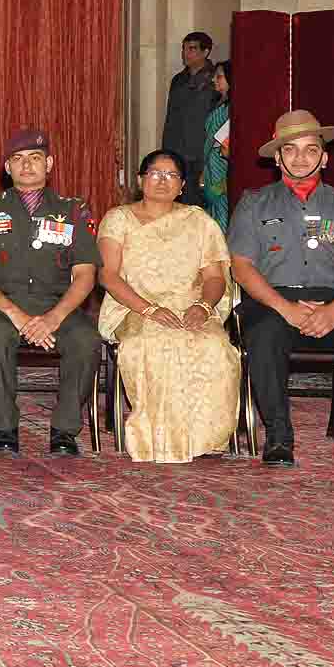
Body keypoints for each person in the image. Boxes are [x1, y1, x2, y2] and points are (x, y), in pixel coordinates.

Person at [228, 109, 334, 469]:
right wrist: (285, 308)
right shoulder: (254, 204)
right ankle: (279, 436)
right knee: (265, 334)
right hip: (273, 301)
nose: (301, 157)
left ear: (325, 157)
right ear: (277, 157)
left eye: (311, 149)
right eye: (291, 149)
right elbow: (241, 266)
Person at [0, 127, 101, 458]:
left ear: (49, 164)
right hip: (0, 305)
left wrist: (53, 318)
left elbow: (85, 274)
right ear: (7, 168)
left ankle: (64, 430)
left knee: (86, 340)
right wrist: (17, 315)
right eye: (18, 159)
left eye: (35, 158)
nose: (27, 166)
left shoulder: (74, 210)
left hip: (58, 306)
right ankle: (6, 428)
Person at [95, 150, 239, 462]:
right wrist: (149, 309)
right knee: (155, 344)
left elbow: (215, 277)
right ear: (140, 180)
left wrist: (203, 305)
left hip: (192, 304)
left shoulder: (199, 221)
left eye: (171, 175)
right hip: (133, 306)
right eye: (155, 173)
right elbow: (108, 275)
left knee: (215, 347)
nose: (163, 180)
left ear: (183, 185)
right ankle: (160, 441)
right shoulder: (118, 219)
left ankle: (205, 439)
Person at [161, 32, 219, 207]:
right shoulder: (178, 80)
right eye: (184, 48)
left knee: (198, 205)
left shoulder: (215, 80)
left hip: (202, 153)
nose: (186, 53)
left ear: (206, 51)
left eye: (192, 48)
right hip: (176, 151)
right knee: (176, 203)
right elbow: (170, 118)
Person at [201, 59, 232, 228]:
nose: (214, 80)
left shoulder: (235, 108)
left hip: (223, 166)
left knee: (223, 213)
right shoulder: (220, 105)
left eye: (219, 76)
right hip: (211, 167)